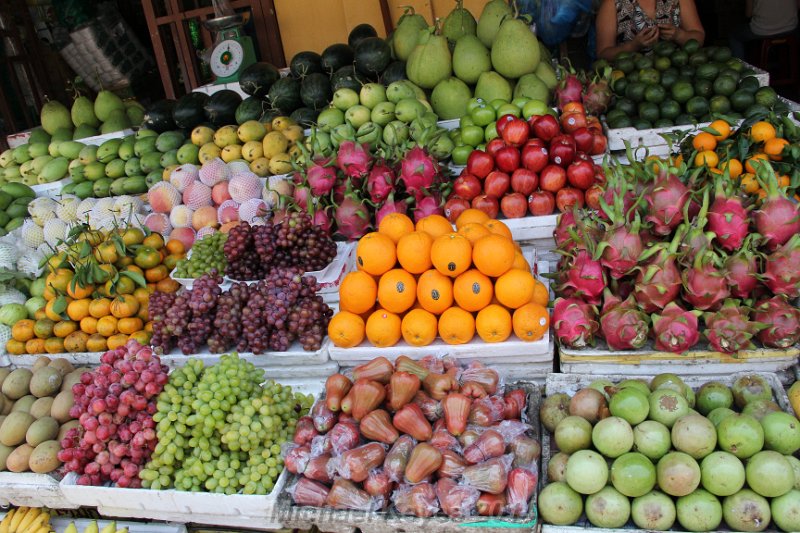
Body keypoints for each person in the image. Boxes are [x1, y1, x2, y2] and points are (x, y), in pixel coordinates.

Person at [595, 0, 705, 60]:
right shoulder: (613, 3)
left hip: (677, 78)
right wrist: (633, 46)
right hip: (631, 85)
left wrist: (679, 35)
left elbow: (699, 38)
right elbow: (603, 53)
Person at [729, 0, 799, 60]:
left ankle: (740, 70)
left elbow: (748, 14)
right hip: (790, 27)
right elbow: (798, 7)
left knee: (734, 36)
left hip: (762, 30)